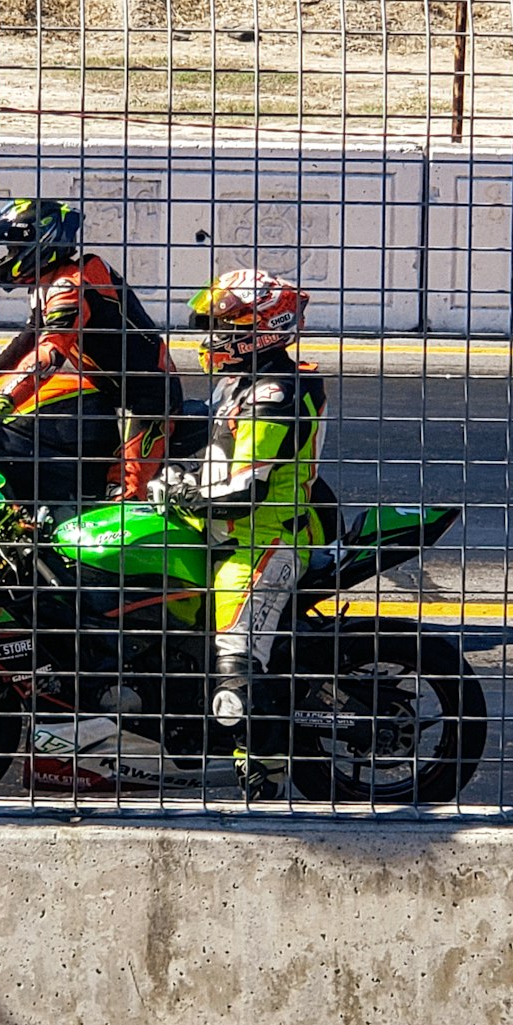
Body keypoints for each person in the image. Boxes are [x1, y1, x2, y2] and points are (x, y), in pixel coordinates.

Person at [154, 267, 327, 800]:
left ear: (262, 326)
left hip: (264, 537)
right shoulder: (241, 379)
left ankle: (266, 770)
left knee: (234, 663)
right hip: (215, 529)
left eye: (224, 326)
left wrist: (186, 493)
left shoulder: (276, 391)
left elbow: (246, 485)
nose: (212, 338)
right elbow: (209, 443)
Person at [0, 198, 183, 502]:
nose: (6, 256)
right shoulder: (46, 284)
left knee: (123, 493)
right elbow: (27, 340)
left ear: (41, 242)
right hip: (104, 389)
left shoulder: (71, 285)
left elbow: (49, 354)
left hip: (148, 397)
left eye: (12, 247)